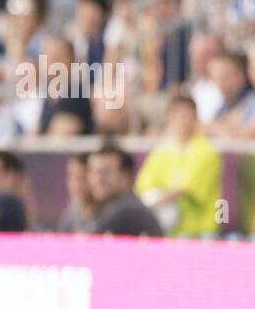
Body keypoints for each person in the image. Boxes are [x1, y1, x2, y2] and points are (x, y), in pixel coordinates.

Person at [135, 95, 221, 237]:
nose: (182, 121)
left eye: (187, 116)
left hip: (200, 234)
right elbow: (143, 186)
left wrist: (151, 204)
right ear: (168, 118)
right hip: (168, 234)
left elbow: (183, 189)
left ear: (196, 118)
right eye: (177, 116)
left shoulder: (206, 150)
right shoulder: (161, 150)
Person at [86, 144, 163, 237]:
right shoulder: (114, 207)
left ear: (125, 176)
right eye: (93, 171)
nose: (98, 179)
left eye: (105, 172)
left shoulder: (127, 211)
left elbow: (89, 243)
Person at [56, 153, 96, 233]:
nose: (76, 185)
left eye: (81, 178)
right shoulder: (69, 215)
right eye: (72, 177)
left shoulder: (108, 214)